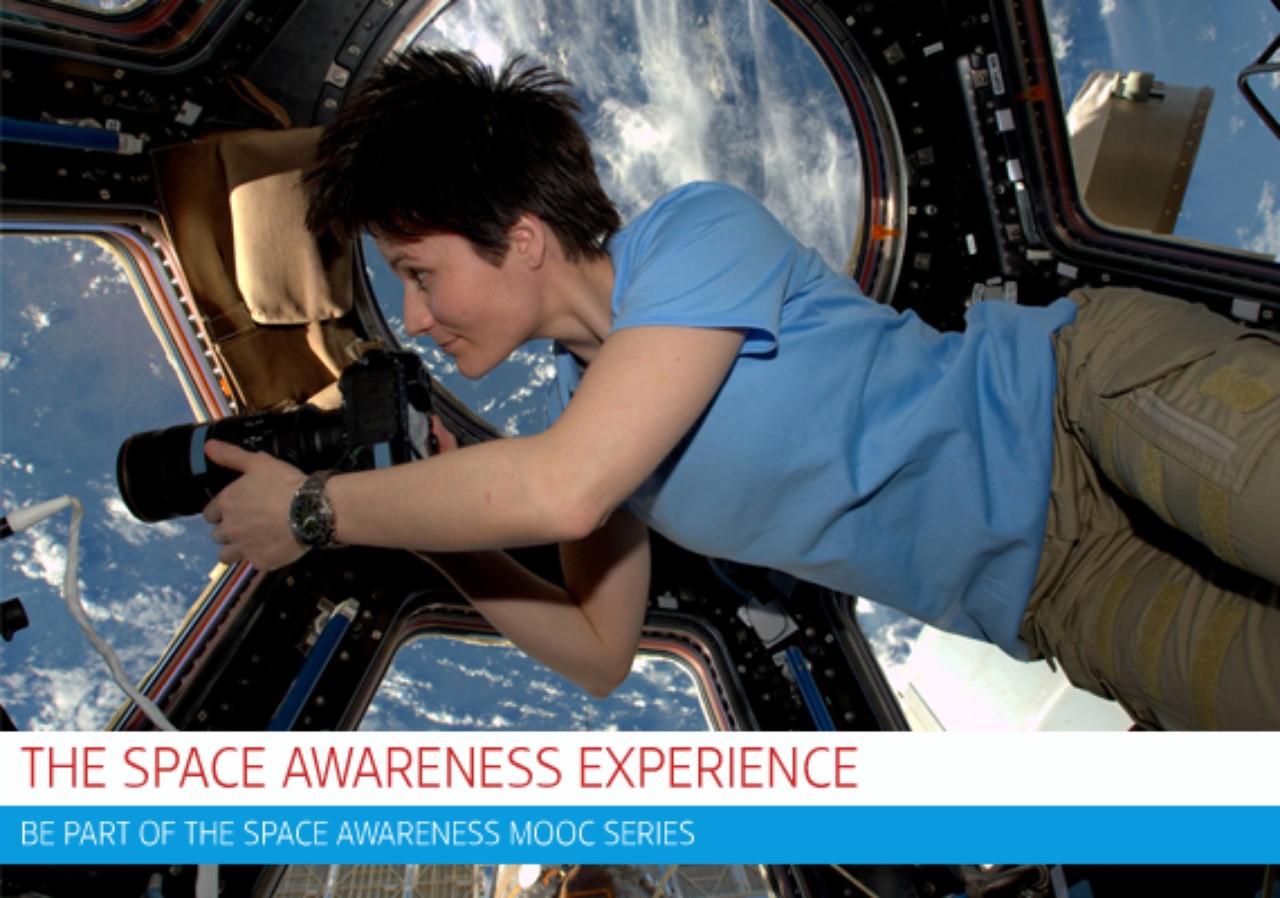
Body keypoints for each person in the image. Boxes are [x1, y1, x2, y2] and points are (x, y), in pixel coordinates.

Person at [201, 48, 1280, 730]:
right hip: (1055, 597)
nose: (415, 316)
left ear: (521, 238)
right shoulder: (592, 436)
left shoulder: (691, 235)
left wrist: (315, 509)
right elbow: (598, 655)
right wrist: (437, 535)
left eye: (419, 273)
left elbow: (564, 488)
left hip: (1079, 414)